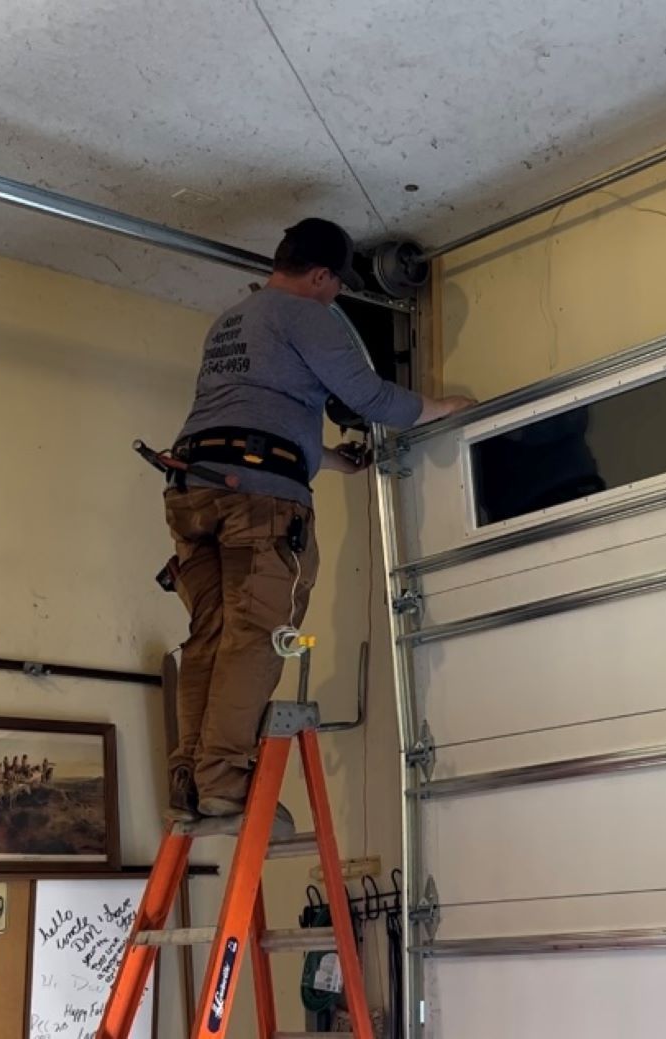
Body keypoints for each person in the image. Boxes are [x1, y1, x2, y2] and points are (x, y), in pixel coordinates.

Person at [165, 217, 474, 828]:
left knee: (210, 635)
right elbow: (372, 399)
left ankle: (188, 783)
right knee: (255, 634)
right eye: (336, 286)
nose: (336, 297)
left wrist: (329, 459)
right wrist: (444, 408)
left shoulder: (232, 320)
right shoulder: (308, 314)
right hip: (258, 501)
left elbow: (251, 413)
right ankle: (223, 781)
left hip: (193, 491)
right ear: (321, 276)